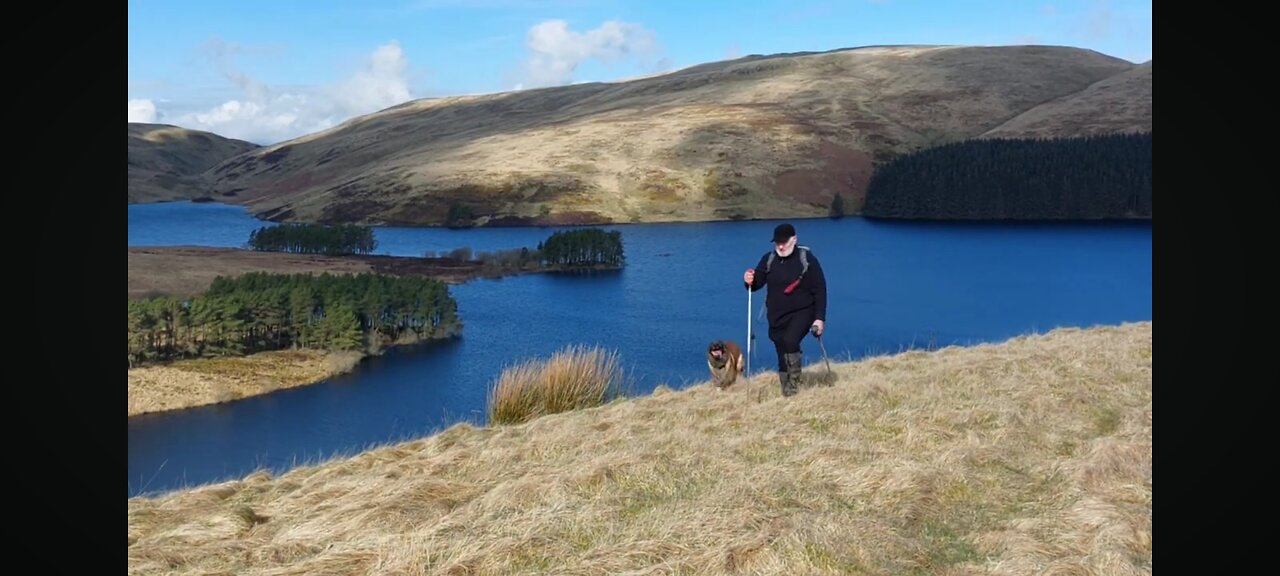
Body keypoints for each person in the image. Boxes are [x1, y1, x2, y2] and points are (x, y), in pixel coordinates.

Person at [743, 223, 827, 397]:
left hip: (803, 311)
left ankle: (795, 384)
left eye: (784, 242)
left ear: (794, 239)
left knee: (790, 340)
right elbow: (757, 282)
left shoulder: (807, 258)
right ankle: (786, 390)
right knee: (781, 349)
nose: (781, 246)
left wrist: (819, 318)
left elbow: (820, 288)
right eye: (777, 242)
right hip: (776, 315)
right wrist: (749, 279)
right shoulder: (769, 259)